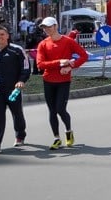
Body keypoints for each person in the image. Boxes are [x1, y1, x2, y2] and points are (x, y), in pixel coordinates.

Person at [35, 17, 89, 149]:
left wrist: (71, 66)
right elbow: (40, 65)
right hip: (48, 80)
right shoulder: (43, 44)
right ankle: (56, 138)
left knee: (60, 108)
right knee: (52, 111)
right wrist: (60, 62)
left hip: (63, 81)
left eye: (49, 26)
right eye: (44, 27)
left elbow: (84, 56)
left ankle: (68, 131)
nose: (47, 29)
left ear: (56, 26)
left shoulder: (68, 41)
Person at [0, 25, 30, 155]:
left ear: (7, 36)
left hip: (13, 90)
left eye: (2, 34)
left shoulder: (17, 50)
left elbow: (25, 68)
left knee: (17, 114)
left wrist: (21, 81)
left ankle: (20, 135)